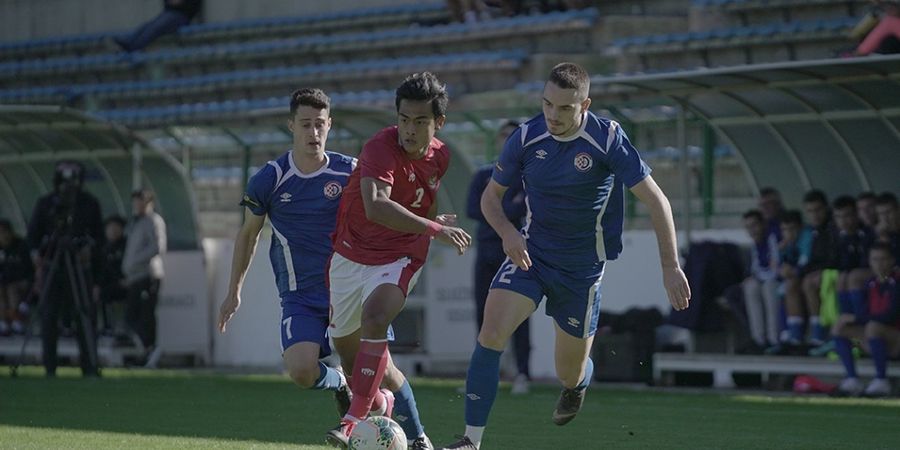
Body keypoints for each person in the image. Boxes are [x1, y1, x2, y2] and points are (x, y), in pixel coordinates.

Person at [440, 62, 690, 450]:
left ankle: (577, 386)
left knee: (567, 371)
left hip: (582, 271)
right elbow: (492, 197)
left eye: (564, 108)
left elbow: (657, 201)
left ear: (585, 105)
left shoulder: (607, 139)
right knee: (490, 333)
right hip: (532, 255)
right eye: (547, 104)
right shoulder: (526, 137)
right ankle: (470, 441)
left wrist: (671, 266)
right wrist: (508, 233)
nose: (552, 116)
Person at [325, 72, 472, 450]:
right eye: (404, 119)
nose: (409, 129)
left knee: (376, 315)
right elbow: (376, 206)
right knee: (364, 364)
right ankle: (413, 431)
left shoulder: (442, 156)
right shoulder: (379, 146)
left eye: (420, 121)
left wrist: (427, 227)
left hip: (402, 254)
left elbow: (419, 198)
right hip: (350, 254)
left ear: (438, 123)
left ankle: (352, 419)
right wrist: (432, 226)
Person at [217, 89, 354, 416]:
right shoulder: (271, 178)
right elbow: (248, 234)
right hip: (300, 294)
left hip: (348, 291)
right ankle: (340, 383)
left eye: (320, 124)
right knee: (302, 371)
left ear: (330, 125)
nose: (314, 132)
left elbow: (383, 207)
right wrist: (234, 291)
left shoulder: (349, 172)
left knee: (379, 383)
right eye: (306, 124)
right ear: (291, 126)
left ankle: (409, 434)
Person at [466, 120, 532, 394]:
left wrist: (494, 206)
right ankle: (484, 374)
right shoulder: (483, 174)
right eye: (503, 137)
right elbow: (473, 208)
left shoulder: (528, 175)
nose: (507, 142)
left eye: (512, 137)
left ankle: (523, 374)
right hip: (486, 252)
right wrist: (505, 206)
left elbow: (520, 209)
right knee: (483, 314)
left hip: (516, 253)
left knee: (519, 315)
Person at [27, 160, 104, 377]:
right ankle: (50, 367)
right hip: (53, 265)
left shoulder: (89, 203)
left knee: (85, 315)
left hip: (80, 268)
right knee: (49, 316)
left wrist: (89, 248)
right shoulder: (46, 203)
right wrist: (37, 258)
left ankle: (89, 365)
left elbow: (99, 237)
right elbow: (32, 237)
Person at [809, 196, 875, 356]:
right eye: (839, 217)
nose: (844, 221)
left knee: (850, 277)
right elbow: (838, 262)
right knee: (839, 277)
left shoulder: (866, 234)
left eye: (847, 215)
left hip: (878, 277)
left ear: (855, 215)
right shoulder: (839, 236)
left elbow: (866, 262)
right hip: (852, 278)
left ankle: (858, 321)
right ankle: (842, 325)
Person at [832, 242, 899, 397]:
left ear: (892, 261)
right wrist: (851, 318)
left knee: (873, 327)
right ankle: (852, 379)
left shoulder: (897, 283)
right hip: (877, 338)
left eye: (883, 259)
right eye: (875, 259)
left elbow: (891, 316)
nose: (879, 264)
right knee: (840, 327)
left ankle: (881, 380)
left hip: (895, 338)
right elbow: (864, 312)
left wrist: (858, 317)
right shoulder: (871, 283)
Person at [786, 190, 838, 347]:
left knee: (809, 282)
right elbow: (804, 257)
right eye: (810, 211)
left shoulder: (833, 228)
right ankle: (795, 336)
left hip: (833, 272)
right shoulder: (810, 231)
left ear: (826, 208)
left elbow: (834, 258)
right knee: (791, 283)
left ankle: (818, 333)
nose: (814, 215)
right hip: (814, 272)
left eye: (818, 210)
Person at [122, 189, 167, 367]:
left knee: (145, 316)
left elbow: (157, 247)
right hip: (134, 277)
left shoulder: (153, 221)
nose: (137, 206)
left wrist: (135, 263)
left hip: (148, 275)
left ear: (149, 203)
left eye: (141, 202)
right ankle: (143, 351)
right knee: (132, 316)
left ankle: (151, 350)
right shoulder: (135, 222)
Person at [740, 210, 780, 353]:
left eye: (754, 225)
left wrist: (759, 277)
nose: (752, 230)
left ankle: (773, 339)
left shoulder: (772, 238)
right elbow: (756, 268)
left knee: (768, 288)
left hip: (779, 280)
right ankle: (759, 339)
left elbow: (775, 269)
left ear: (763, 224)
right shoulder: (755, 244)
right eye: (748, 227)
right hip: (764, 279)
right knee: (750, 287)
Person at [114, 0, 203, 52]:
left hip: (182, 17)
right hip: (170, 14)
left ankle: (134, 47)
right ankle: (130, 41)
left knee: (156, 27)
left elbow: (191, 8)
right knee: (149, 25)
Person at [94, 216, 128, 336]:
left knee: (107, 294)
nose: (113, 231)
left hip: (124, 283)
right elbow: (101, 270)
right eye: (110, 228)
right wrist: (97, 285)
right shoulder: (103, 248)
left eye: (116, 227)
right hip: (106, 284)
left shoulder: (126, 246)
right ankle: (102, 326)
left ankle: (116, 327)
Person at [0, 219, 32, 336]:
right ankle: (3, 322)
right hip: (5, 283)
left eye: (4, 232)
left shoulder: (21, 246)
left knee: (12, 289)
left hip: (22, 282)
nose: (3, 236)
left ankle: (17, 321)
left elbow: (28, 271)